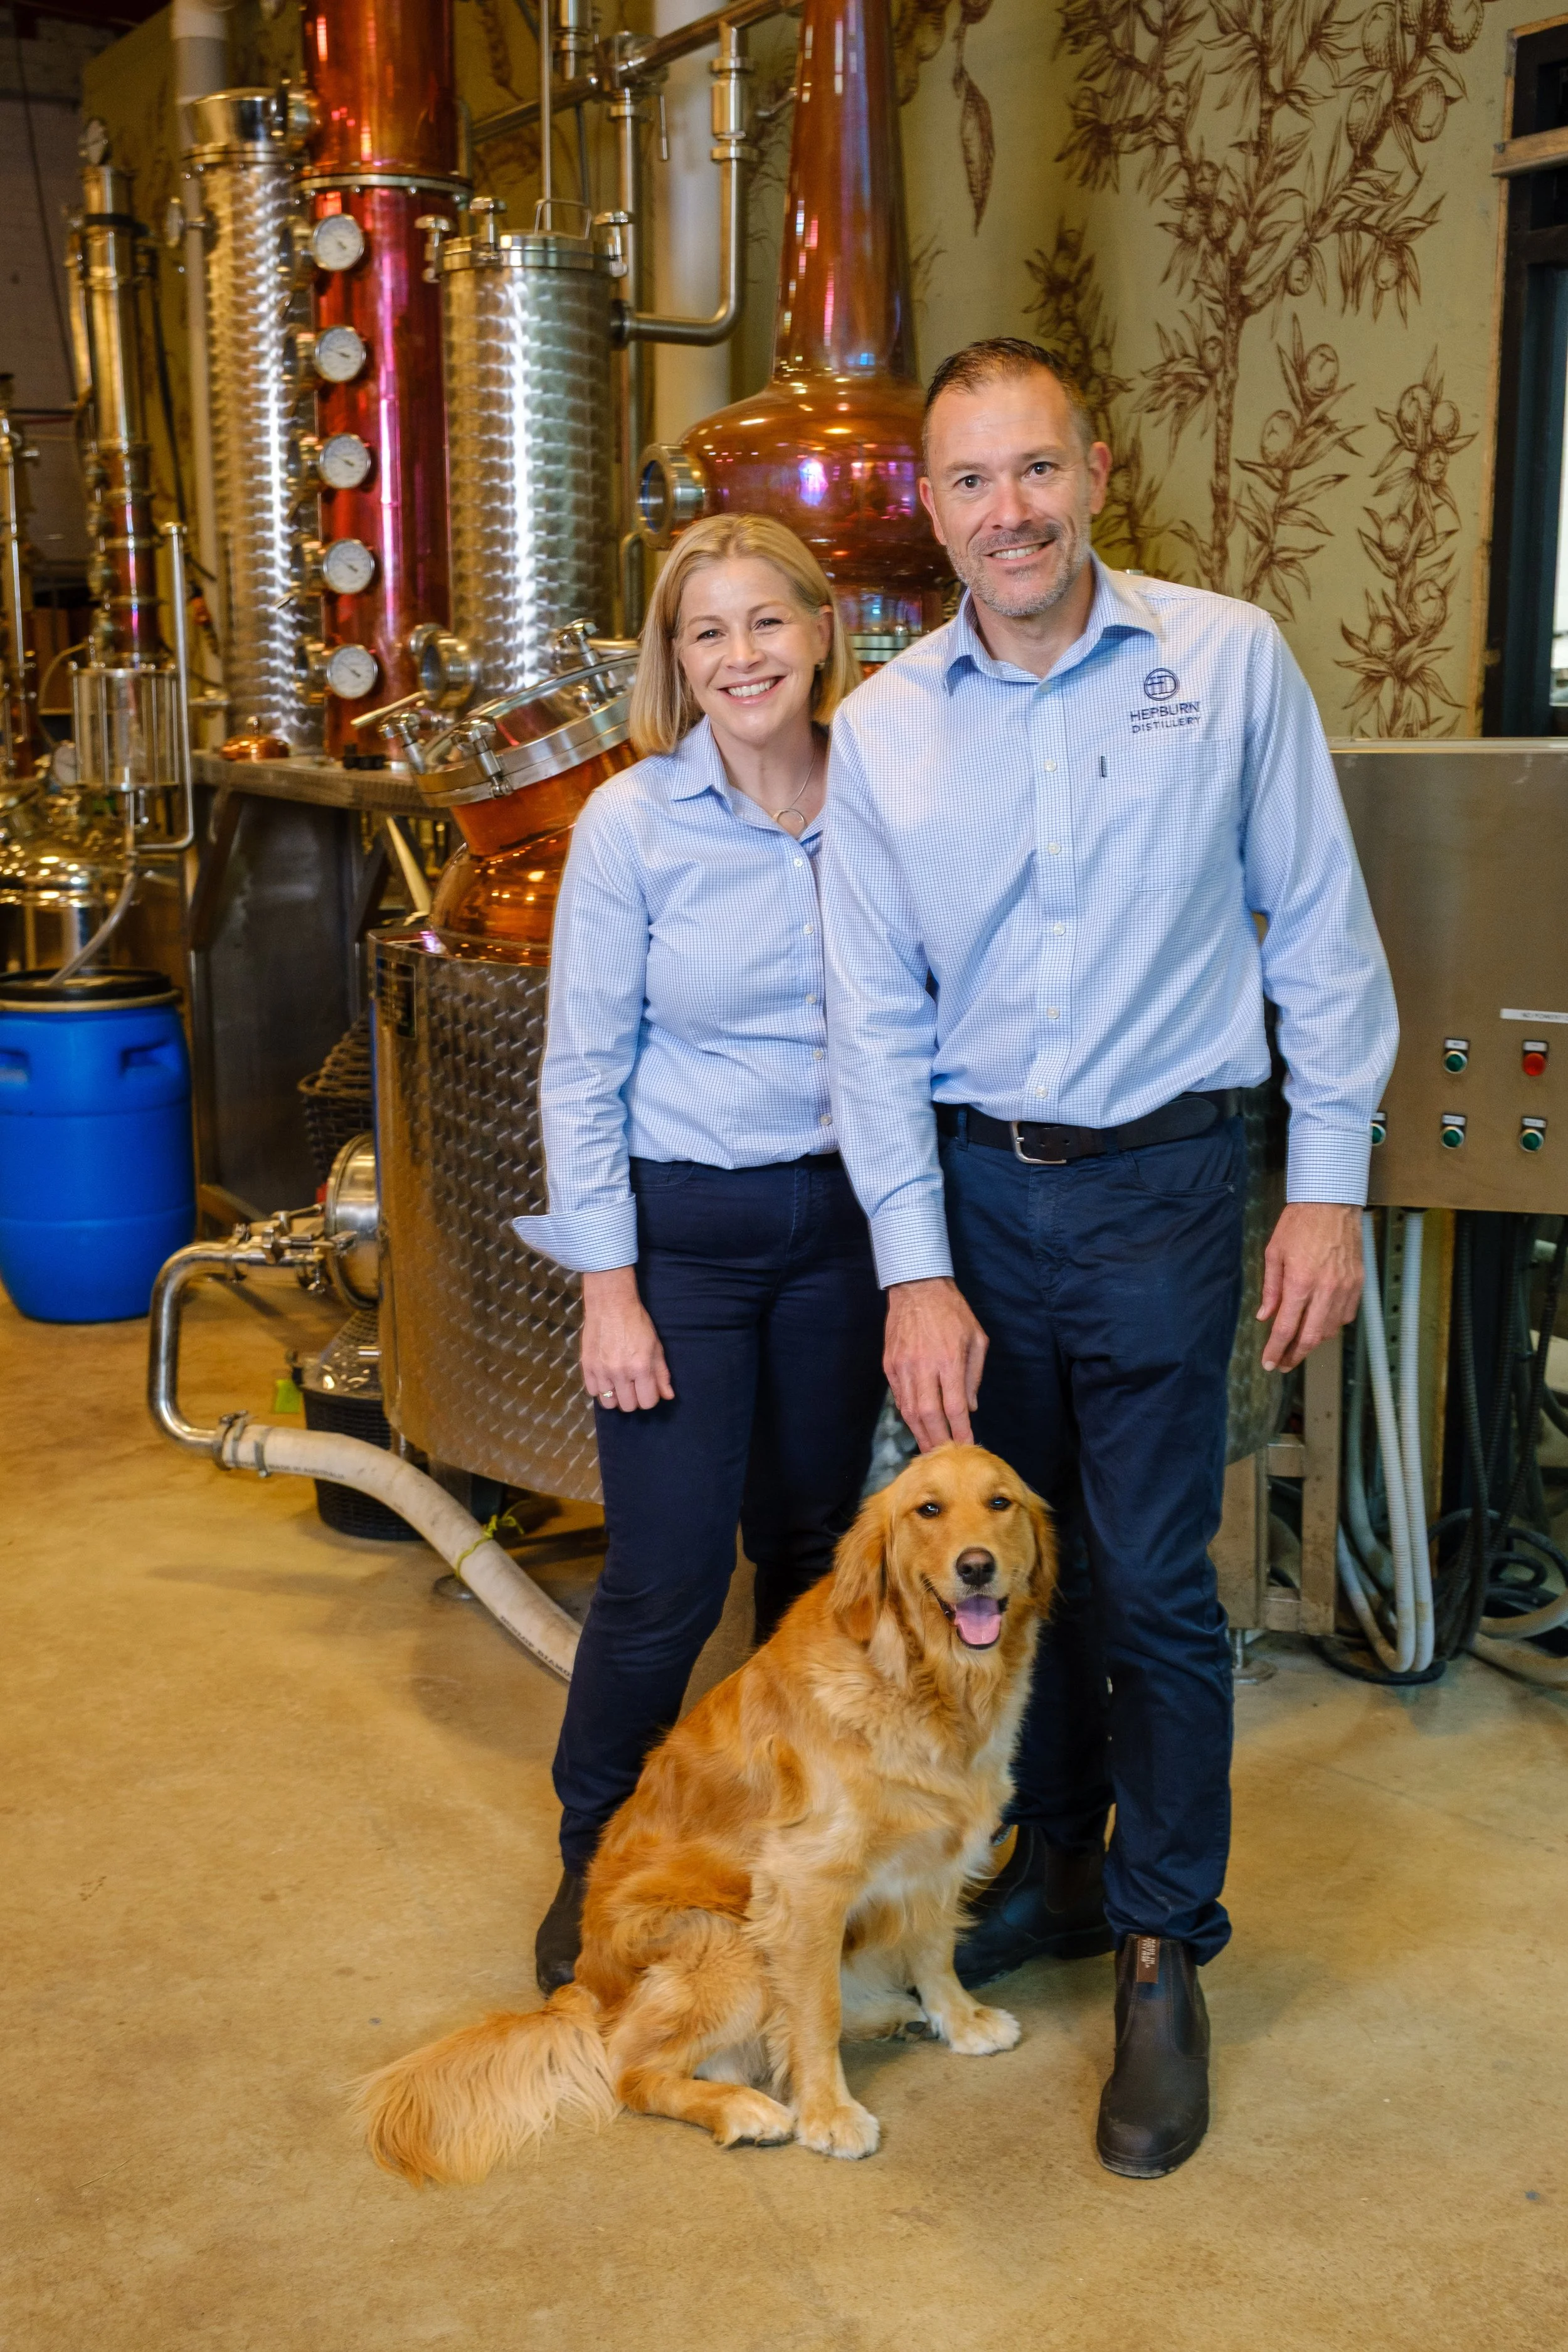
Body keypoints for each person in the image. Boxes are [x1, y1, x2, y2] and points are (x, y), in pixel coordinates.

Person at [820, 337, 1398, 2178]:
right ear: (931, 510)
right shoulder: (885, 724)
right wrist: (915, 1265)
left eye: (1038, 470)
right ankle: (1051, 1863)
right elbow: (867, 1022)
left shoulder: (1222, 660)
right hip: (976, 1203)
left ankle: (1162, 1941)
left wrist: (1325, 1184)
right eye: (972, 482)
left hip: (1164, 1190)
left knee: (1150, 1587)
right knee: (996, 1568)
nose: (1011, 511)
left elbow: (1318, 930)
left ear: (1094, 468)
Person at [514, 513, 887, 1994]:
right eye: (704, 634)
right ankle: (595, 1856)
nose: (740, 658)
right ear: (675, 662)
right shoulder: (632, 824)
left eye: (763, 624)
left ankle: (782, 1845)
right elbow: (576, 1070)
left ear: (819, 630)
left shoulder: (884, 796)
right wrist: (610, 1288)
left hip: (845, 1232)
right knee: (664, 1578)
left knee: (807, 1564)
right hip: (688, 1239)